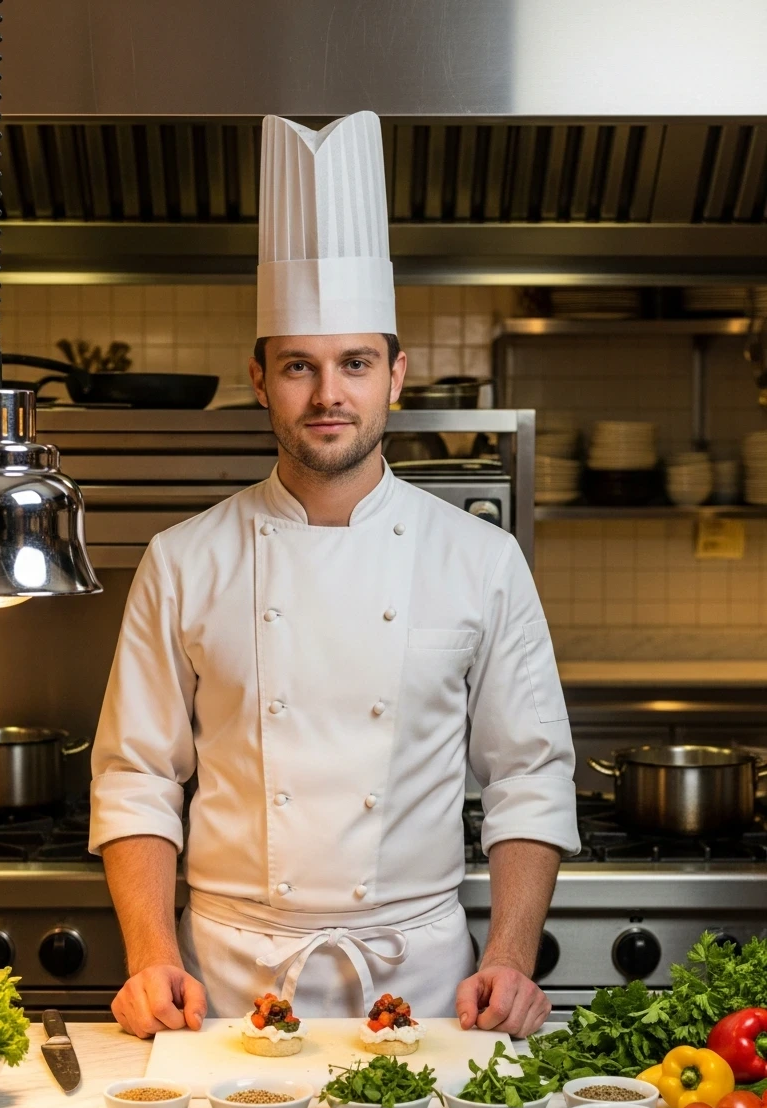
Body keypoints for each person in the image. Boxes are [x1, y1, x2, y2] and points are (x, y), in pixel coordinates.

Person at [89, 111, 580, 1039]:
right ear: (259, 378)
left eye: (355, 363)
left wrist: (508, 959)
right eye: (298, 368)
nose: (328, 395)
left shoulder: (480, 559)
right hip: (225, 983)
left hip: (429, 982)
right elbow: (138, 777)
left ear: (397, 375)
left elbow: (530, 776)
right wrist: (152, 955)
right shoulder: (183, 560)